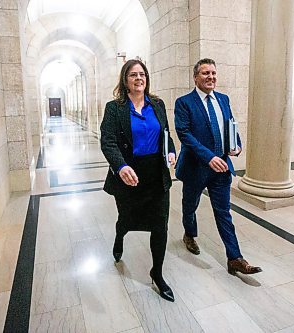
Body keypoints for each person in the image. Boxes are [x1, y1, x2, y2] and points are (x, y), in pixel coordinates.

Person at [174, 58, 262, 275]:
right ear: (195, 77)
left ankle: (235, 258)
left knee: (224, 212)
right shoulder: (184, 102)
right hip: (195, 167)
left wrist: (237, 146)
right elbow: (185, 134)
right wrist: (208, 157)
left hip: (221, 167)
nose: (210, 77)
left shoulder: (223, 99)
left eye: (213, 73)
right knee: (189, 206)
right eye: (205, 73)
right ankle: (189, 234)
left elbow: (231, 125)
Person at [100, 59, 177, 302]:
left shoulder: (157, 104)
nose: (139, 78)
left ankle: (157, 272)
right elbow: (108, 141)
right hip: (129, 175)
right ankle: (119, 235)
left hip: (156, 175)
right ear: (125, 80)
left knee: (160, 224)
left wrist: (171, 150)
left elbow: (165, 134)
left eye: (142, 74)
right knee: (127, 219)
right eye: (133, 75)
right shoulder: (115, 108)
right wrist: (120, 165)